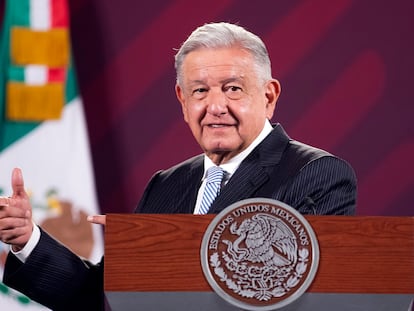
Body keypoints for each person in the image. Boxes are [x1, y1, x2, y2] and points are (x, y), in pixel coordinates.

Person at [0, 22, 357, 310]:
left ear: (269, 97)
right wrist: (27, 239)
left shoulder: (317, 175)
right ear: (183, 102)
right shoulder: (168, 184)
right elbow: (98, 298)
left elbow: (288, 292)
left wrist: (169, 243)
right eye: (200, 91)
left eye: (232, 89)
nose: (215, 106)